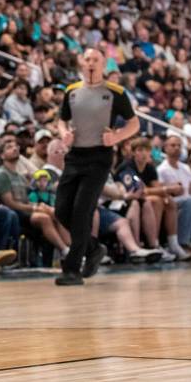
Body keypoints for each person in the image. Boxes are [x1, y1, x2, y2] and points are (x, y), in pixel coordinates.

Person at [54, 49, 141, 286]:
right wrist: (64, 135)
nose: (91, 64)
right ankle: (93, 249)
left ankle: (72, 269)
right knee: (61, 209)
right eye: (88, 60)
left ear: (103, 65)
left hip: (100, 158)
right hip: (75, 156)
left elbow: (134, 123)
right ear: (82, 63)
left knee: (83, 211)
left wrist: (117, 137)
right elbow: (62, 120)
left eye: (96, 60)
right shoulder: (71, 92)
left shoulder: (116, 92)